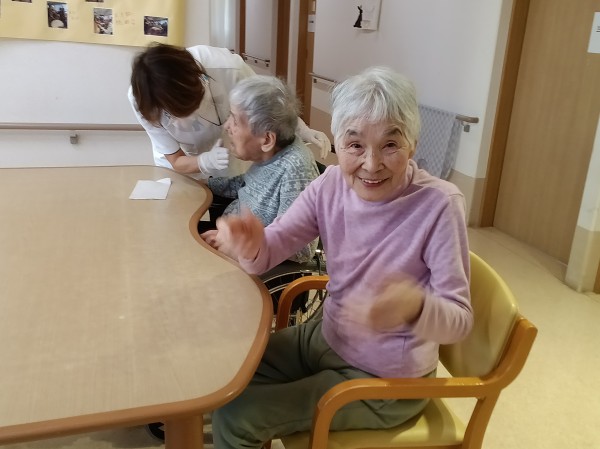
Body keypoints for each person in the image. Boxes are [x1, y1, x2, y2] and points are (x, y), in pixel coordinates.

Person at [209, 66, 474, 449]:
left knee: (236, 418)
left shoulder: (440, 205)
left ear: (413, 145)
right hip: (328, 337)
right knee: (225, 371)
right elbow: (274, 247)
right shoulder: (330, 184)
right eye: (355, 145)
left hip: (388, 381)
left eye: (390, 144)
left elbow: (459, 321)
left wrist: (415, 307)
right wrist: (251, 245)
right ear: (337, 143)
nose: (371, 164)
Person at [128, 43, 331, 181]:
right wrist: (204, 161)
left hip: (232, 157)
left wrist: (301, 128)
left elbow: (269, 101)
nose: (227, 124)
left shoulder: (227, 67)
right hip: (184, 168)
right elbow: (176, 160)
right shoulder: (145, 102)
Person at [200, 75, 320, 264]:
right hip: (229, 236)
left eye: (235, 120)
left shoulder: (296, 170)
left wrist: (240, 243)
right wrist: (204, 184)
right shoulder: (272, 154)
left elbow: (302, 249)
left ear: (266, 140)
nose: (227, 126)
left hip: (249, 261)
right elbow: (246, 184)